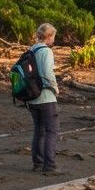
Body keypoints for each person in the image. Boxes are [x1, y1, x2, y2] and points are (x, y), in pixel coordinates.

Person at [27, 23, 60, 175]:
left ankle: (38, 163)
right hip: (46, 97)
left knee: (38, 131)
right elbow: (47, 72)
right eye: (53, 36)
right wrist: (55, 88)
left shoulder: (31, 49)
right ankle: (50, 166)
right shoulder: (46, 51)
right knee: (51, 131)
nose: (54, 39)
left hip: (32, 97)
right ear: (48, 36)